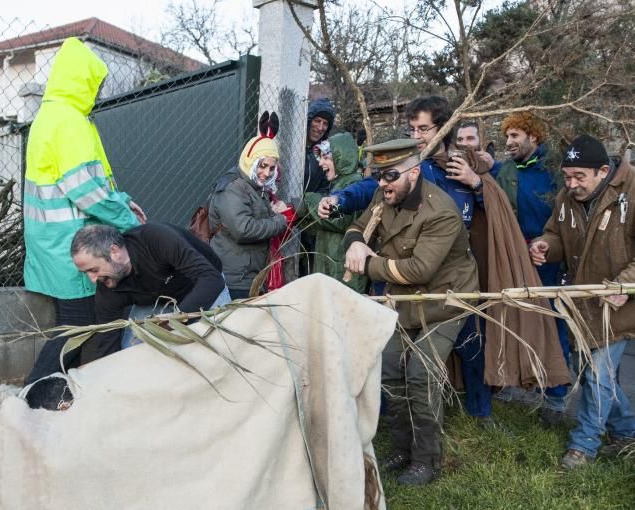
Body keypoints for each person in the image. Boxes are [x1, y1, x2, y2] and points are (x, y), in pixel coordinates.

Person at [319, 96, 498, 429]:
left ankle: (479, 411)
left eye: (425, 128)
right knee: (402, 358)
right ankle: (401, 420)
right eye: (412, 128)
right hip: (412, 276)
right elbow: (373, 190)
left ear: (445, 129)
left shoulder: (467, 165)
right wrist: (340, 201)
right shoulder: (410, 167)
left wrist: (475, 181)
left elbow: (500, 205)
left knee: (472, 344)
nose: (417, 136)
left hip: (456, 273)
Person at [529, 135, 635, 470]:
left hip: (620, 304)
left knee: (599, 373)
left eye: (579, 177)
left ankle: (584, 445)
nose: (572, 184)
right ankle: (627, 432)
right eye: (567, 177)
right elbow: (556, 233)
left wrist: (627, 283)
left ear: (602, 171)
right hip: (582, 301)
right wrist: (544, 246)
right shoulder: (568, 196)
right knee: (590, 372)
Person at [343, 138, 480, 486]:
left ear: (414, 173)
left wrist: (368, 263)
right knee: (389, 369)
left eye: (390, 175)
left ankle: (426, 458)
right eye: (377, 175)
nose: (382, 184)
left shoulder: (441, 211)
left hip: (445, 300)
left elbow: (419, 270)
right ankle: (402, 447)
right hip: (403, 299)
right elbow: (358, 227)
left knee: (421, 373)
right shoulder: (386, 194)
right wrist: (355, 243)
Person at [22, 37, 146, 384]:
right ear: (83, 80)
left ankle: (57, 399)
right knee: (77, 329)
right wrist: (129, 220)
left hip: (56, 243)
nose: (99, 90)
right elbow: (86, 192)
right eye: (96, 83)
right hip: (72, 246)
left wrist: (123, 199)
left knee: (81, 326)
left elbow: (94, 181)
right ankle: (30, 399)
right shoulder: (69, 122)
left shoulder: (55, 117)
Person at [494, 111, 571, 424]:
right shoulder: (507, 170)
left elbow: (564, 216)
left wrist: (549, 247)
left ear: (533, 136)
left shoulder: (554, 171)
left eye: (515, 136)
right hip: (514, 257)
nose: (508, 142)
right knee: (512, 317)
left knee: (551, 322)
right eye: (507, 136)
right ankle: (513, 382)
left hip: (547, 259)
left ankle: (557, 396)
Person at [69, 223, 229, 362]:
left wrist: (175, 322)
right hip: (158, 301)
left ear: (114, 251)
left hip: (202, 287)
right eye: (86, 273)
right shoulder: (107, 284)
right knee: (131, 349)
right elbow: (108, 340)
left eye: (94, 270)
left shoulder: (156, 238)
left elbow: (212, 279)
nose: (92, 279)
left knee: (220, 345)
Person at [208, 120, 289, 300]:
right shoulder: (233, 188)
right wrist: (279, 220)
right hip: (233, 280)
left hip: (250, 276)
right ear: (250, 160)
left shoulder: (256, 188)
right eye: (262, 165)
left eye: (271, 168)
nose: (267, 173)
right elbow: (243, 229)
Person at [297, 132, 367, 292]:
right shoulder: (339, 184)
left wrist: (309, 199)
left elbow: (340, 221)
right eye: (321, 157)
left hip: (343, 271)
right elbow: (323, 224)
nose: (321, 163)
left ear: (341, 159)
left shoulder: (354, 185)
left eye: (326, 158)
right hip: (332, 264)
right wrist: (300, 220)